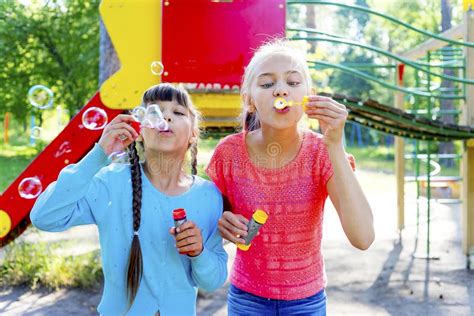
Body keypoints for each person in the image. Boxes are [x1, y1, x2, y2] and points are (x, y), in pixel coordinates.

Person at [206, 39, 374, 315]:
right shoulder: (229, 154)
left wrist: (334, 145)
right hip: (247, 299)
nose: (281, 90)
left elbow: (363, 237)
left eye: (293, 83)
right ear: (249, 100)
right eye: (267, 83)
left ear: (310, 95)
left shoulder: (323, 152)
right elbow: (213, 224)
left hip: (306, 302)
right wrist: (221, 223)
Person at [30, 83, 228, 315]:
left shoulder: (209, 196)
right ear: (140, 131)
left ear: (193, 133)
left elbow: (212, 281)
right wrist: (98, 155)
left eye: (178, 112)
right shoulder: (111, 182)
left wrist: (199, 253)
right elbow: (44, 217)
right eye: (155, 111)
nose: (165, 117)